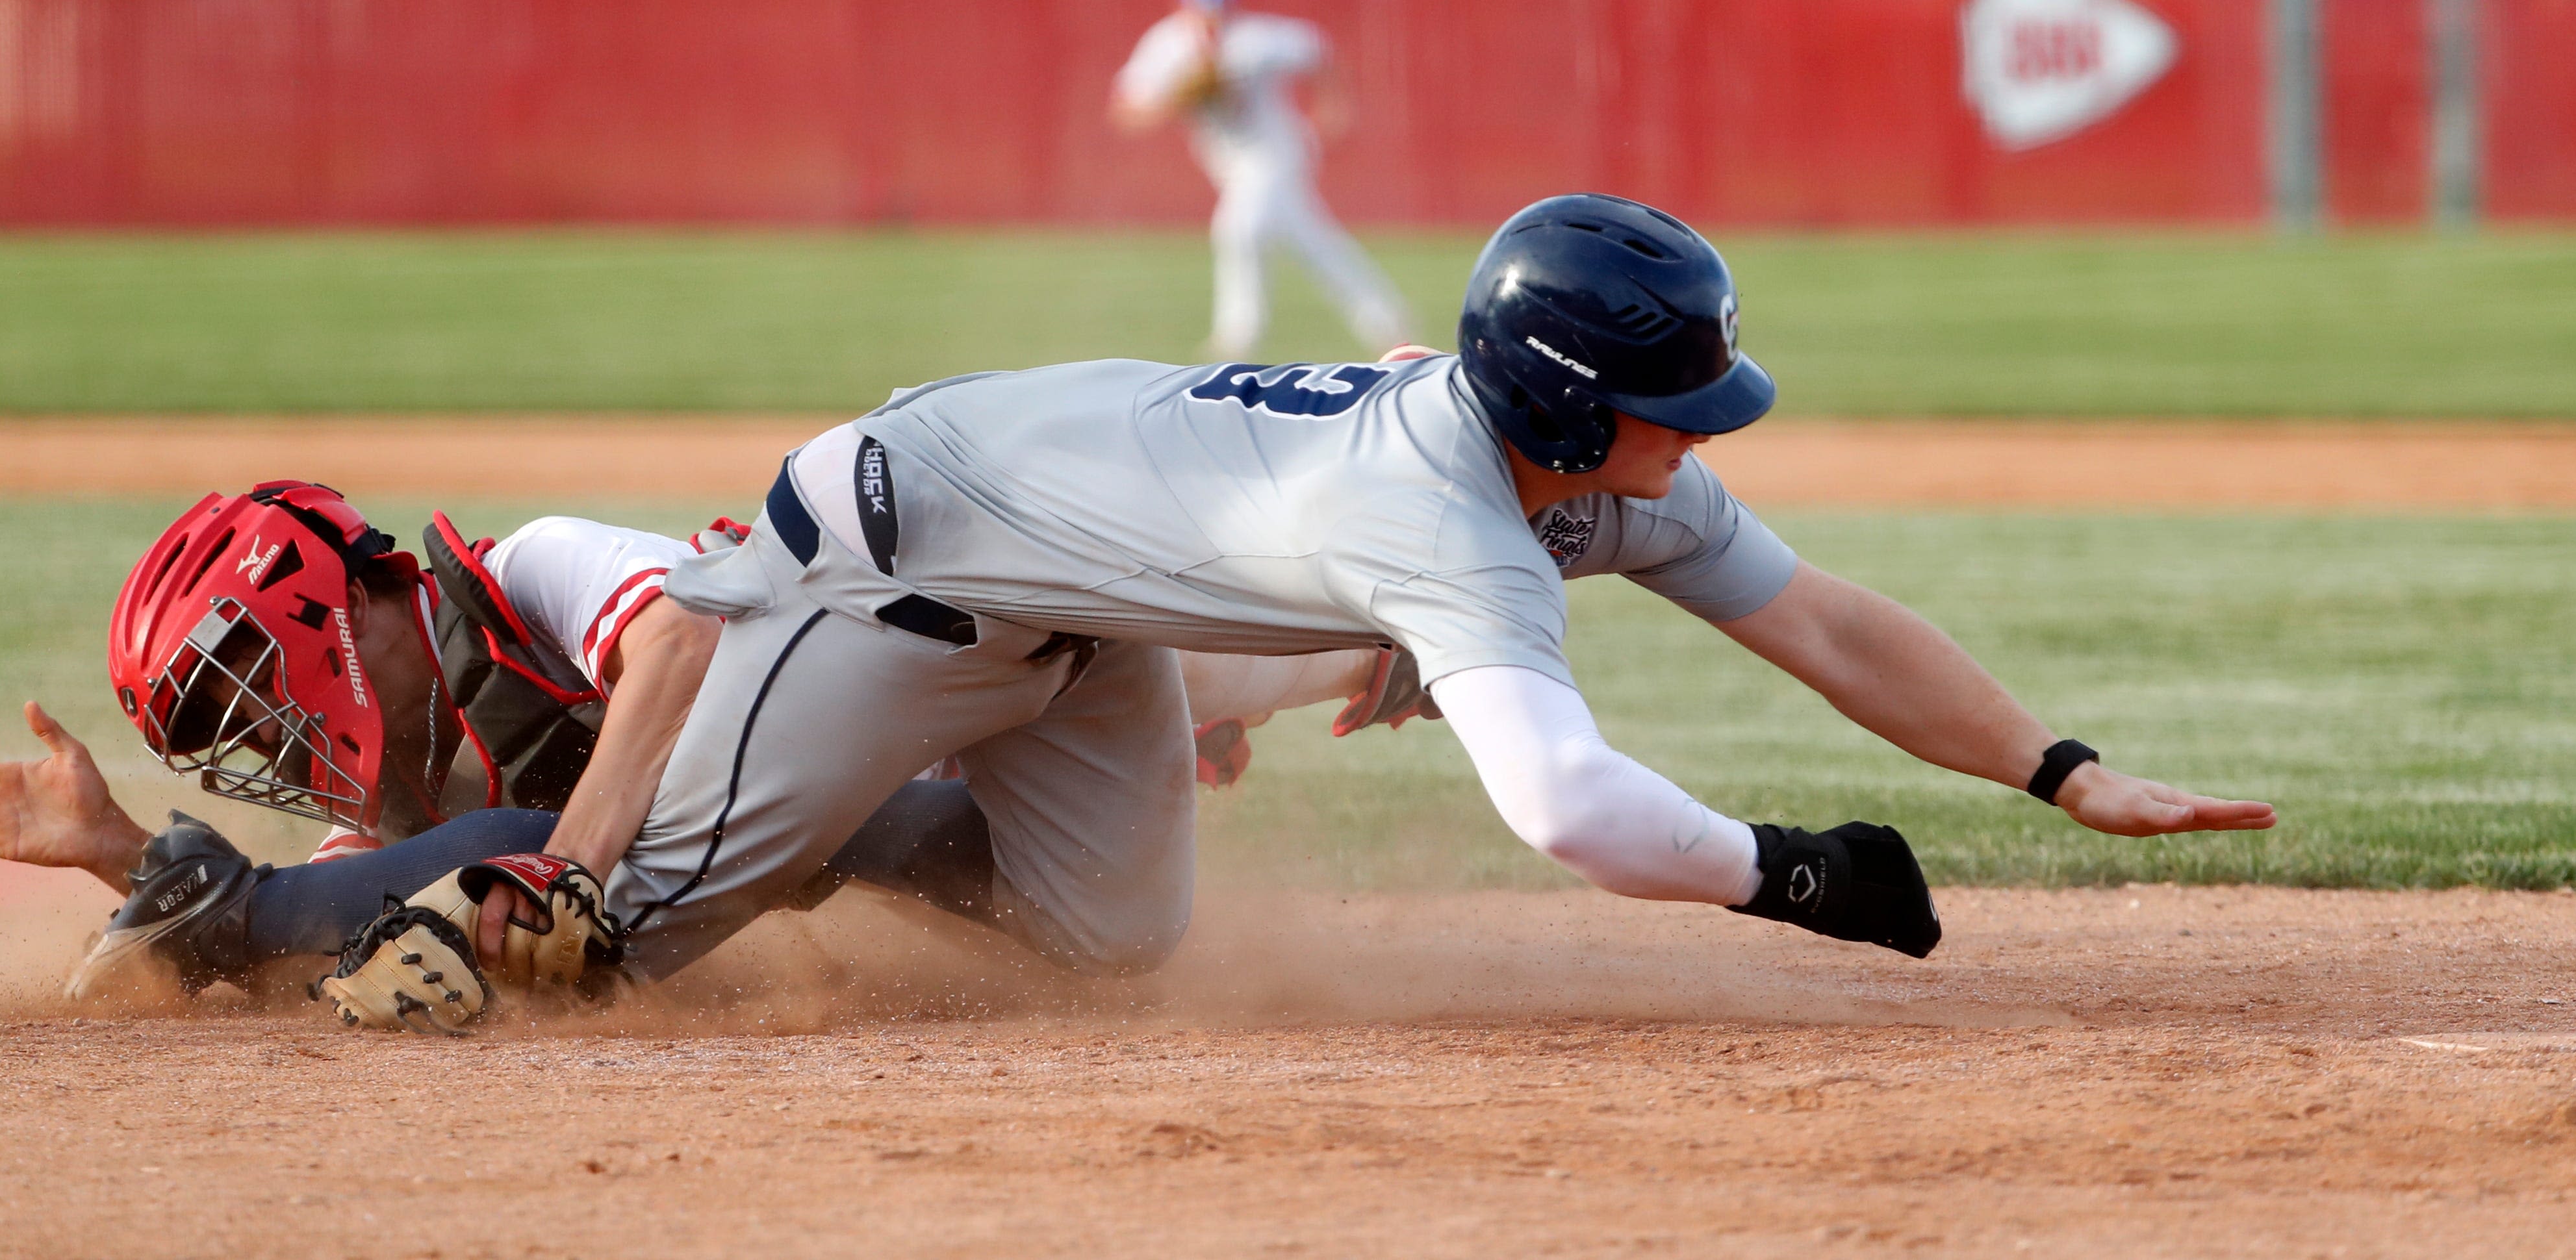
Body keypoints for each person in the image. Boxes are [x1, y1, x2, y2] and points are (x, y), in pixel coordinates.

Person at [420, 191, 2270, 1022]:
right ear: (1564, 405)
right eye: (1673, 404)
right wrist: (1808, 871)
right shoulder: (1451, 517)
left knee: (1103, 938)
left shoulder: (1576, 473)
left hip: (1073, 619)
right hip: (885, 560)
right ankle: (273, 896)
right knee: (592, 956)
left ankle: (808, 818)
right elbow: (1564, 804)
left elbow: (1832, 621)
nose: (1700, 439)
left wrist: (2056, 764)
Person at [0, 483, 1410, 999]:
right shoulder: (404, 793)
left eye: (242, 687)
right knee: (1062, 894)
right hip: (937, 802)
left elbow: (681, 638)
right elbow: (329, 933)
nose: (256, 734)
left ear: (323, 610)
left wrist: (565, 862)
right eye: (220, 732)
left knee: (1226, 649)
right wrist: (115, 855)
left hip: (944, 655)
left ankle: (1373, 552)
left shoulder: (531, 568)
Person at [1112, 0, 1410, 360]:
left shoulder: (1254, 39)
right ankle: (1389, 323)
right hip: (1230, 167)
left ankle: (1236, 339)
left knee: (1238, 228)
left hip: (1279, 154)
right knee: (1314, 242)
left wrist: (1334, 106)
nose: (1213, 7)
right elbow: (1126, 110)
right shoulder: (1168, 45)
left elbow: (1318, 51)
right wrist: (1177, 98)